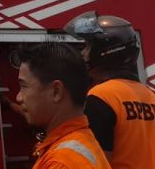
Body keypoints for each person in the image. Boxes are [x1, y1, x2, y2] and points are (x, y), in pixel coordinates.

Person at [64, 13, 155, 169]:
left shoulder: (100, 97)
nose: (83, 53)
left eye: (88, 46)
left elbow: (96, 163)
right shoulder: (154, 100)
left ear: (105, 51)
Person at [15, 41, 111, 169]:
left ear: (56, 91)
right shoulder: (80, 144)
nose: (18, 98)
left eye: (24, 86)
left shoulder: (61, 163)